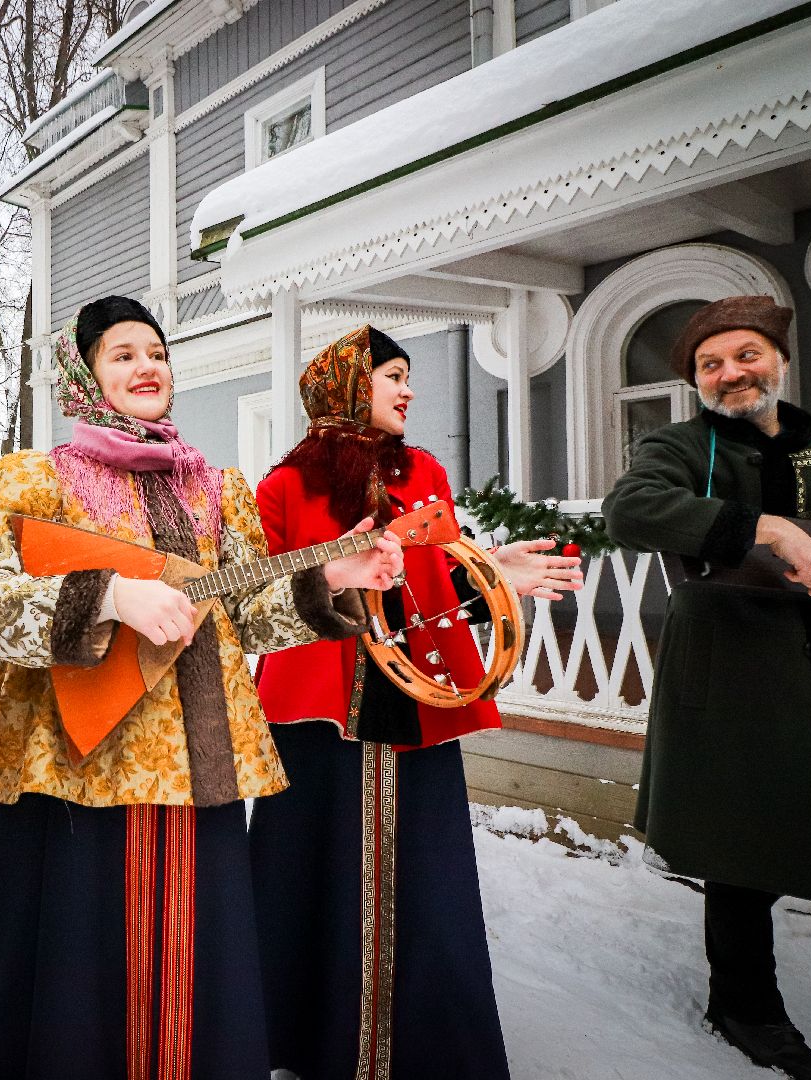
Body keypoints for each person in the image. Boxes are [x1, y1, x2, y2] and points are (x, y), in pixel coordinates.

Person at [0, 295, 404, 1080]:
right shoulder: (32, 479)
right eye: (122, 354)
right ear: (84, 378)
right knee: (82, 982)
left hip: (199, 765)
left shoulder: (216, 488)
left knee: (196, 977)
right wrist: (108, 598)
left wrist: (328, 576)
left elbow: (246, 620)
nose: (146, 365)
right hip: (76, 769)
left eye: (156, 352)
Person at [249, 323, 583, 1079]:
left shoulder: (425, 470)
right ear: (344, 386)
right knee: (308, 875)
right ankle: (308, 1040)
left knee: (425, 884)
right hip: (316, 715)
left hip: (417, 704)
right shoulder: (285, 486)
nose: (407, 389)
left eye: (407, 376)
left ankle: (429, 1049)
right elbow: (259, 597)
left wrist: (493, 570)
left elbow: (440, 571)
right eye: (391, 375)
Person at [603, 295, 811, 1080]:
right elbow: (631, 509)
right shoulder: (683, 445)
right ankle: (745, 1009)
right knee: (745, 840)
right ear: (698, 382)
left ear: (776, 360)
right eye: (712, 364)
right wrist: (765, 526)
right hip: (736, 677)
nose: (731, 373)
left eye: (746, 355)